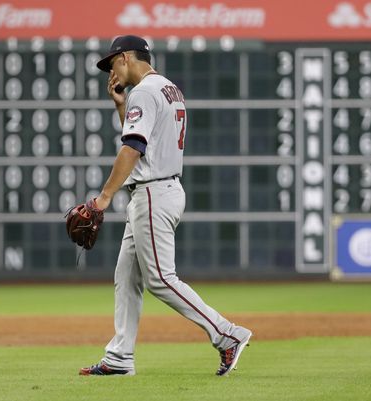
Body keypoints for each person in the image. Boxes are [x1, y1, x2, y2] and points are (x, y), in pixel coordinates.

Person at [79, 35, 252, 376]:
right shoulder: (167, 88)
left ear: (127, 57)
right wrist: (120, 106)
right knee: (126, 276)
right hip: (161, 187)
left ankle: (226, 334)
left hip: (153, 193)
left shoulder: (144, 90)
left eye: (112, 63)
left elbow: (132, 149)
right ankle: (119, 358)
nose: (111, 71)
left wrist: (103, 198)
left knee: (159, 278)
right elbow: (146, 138)